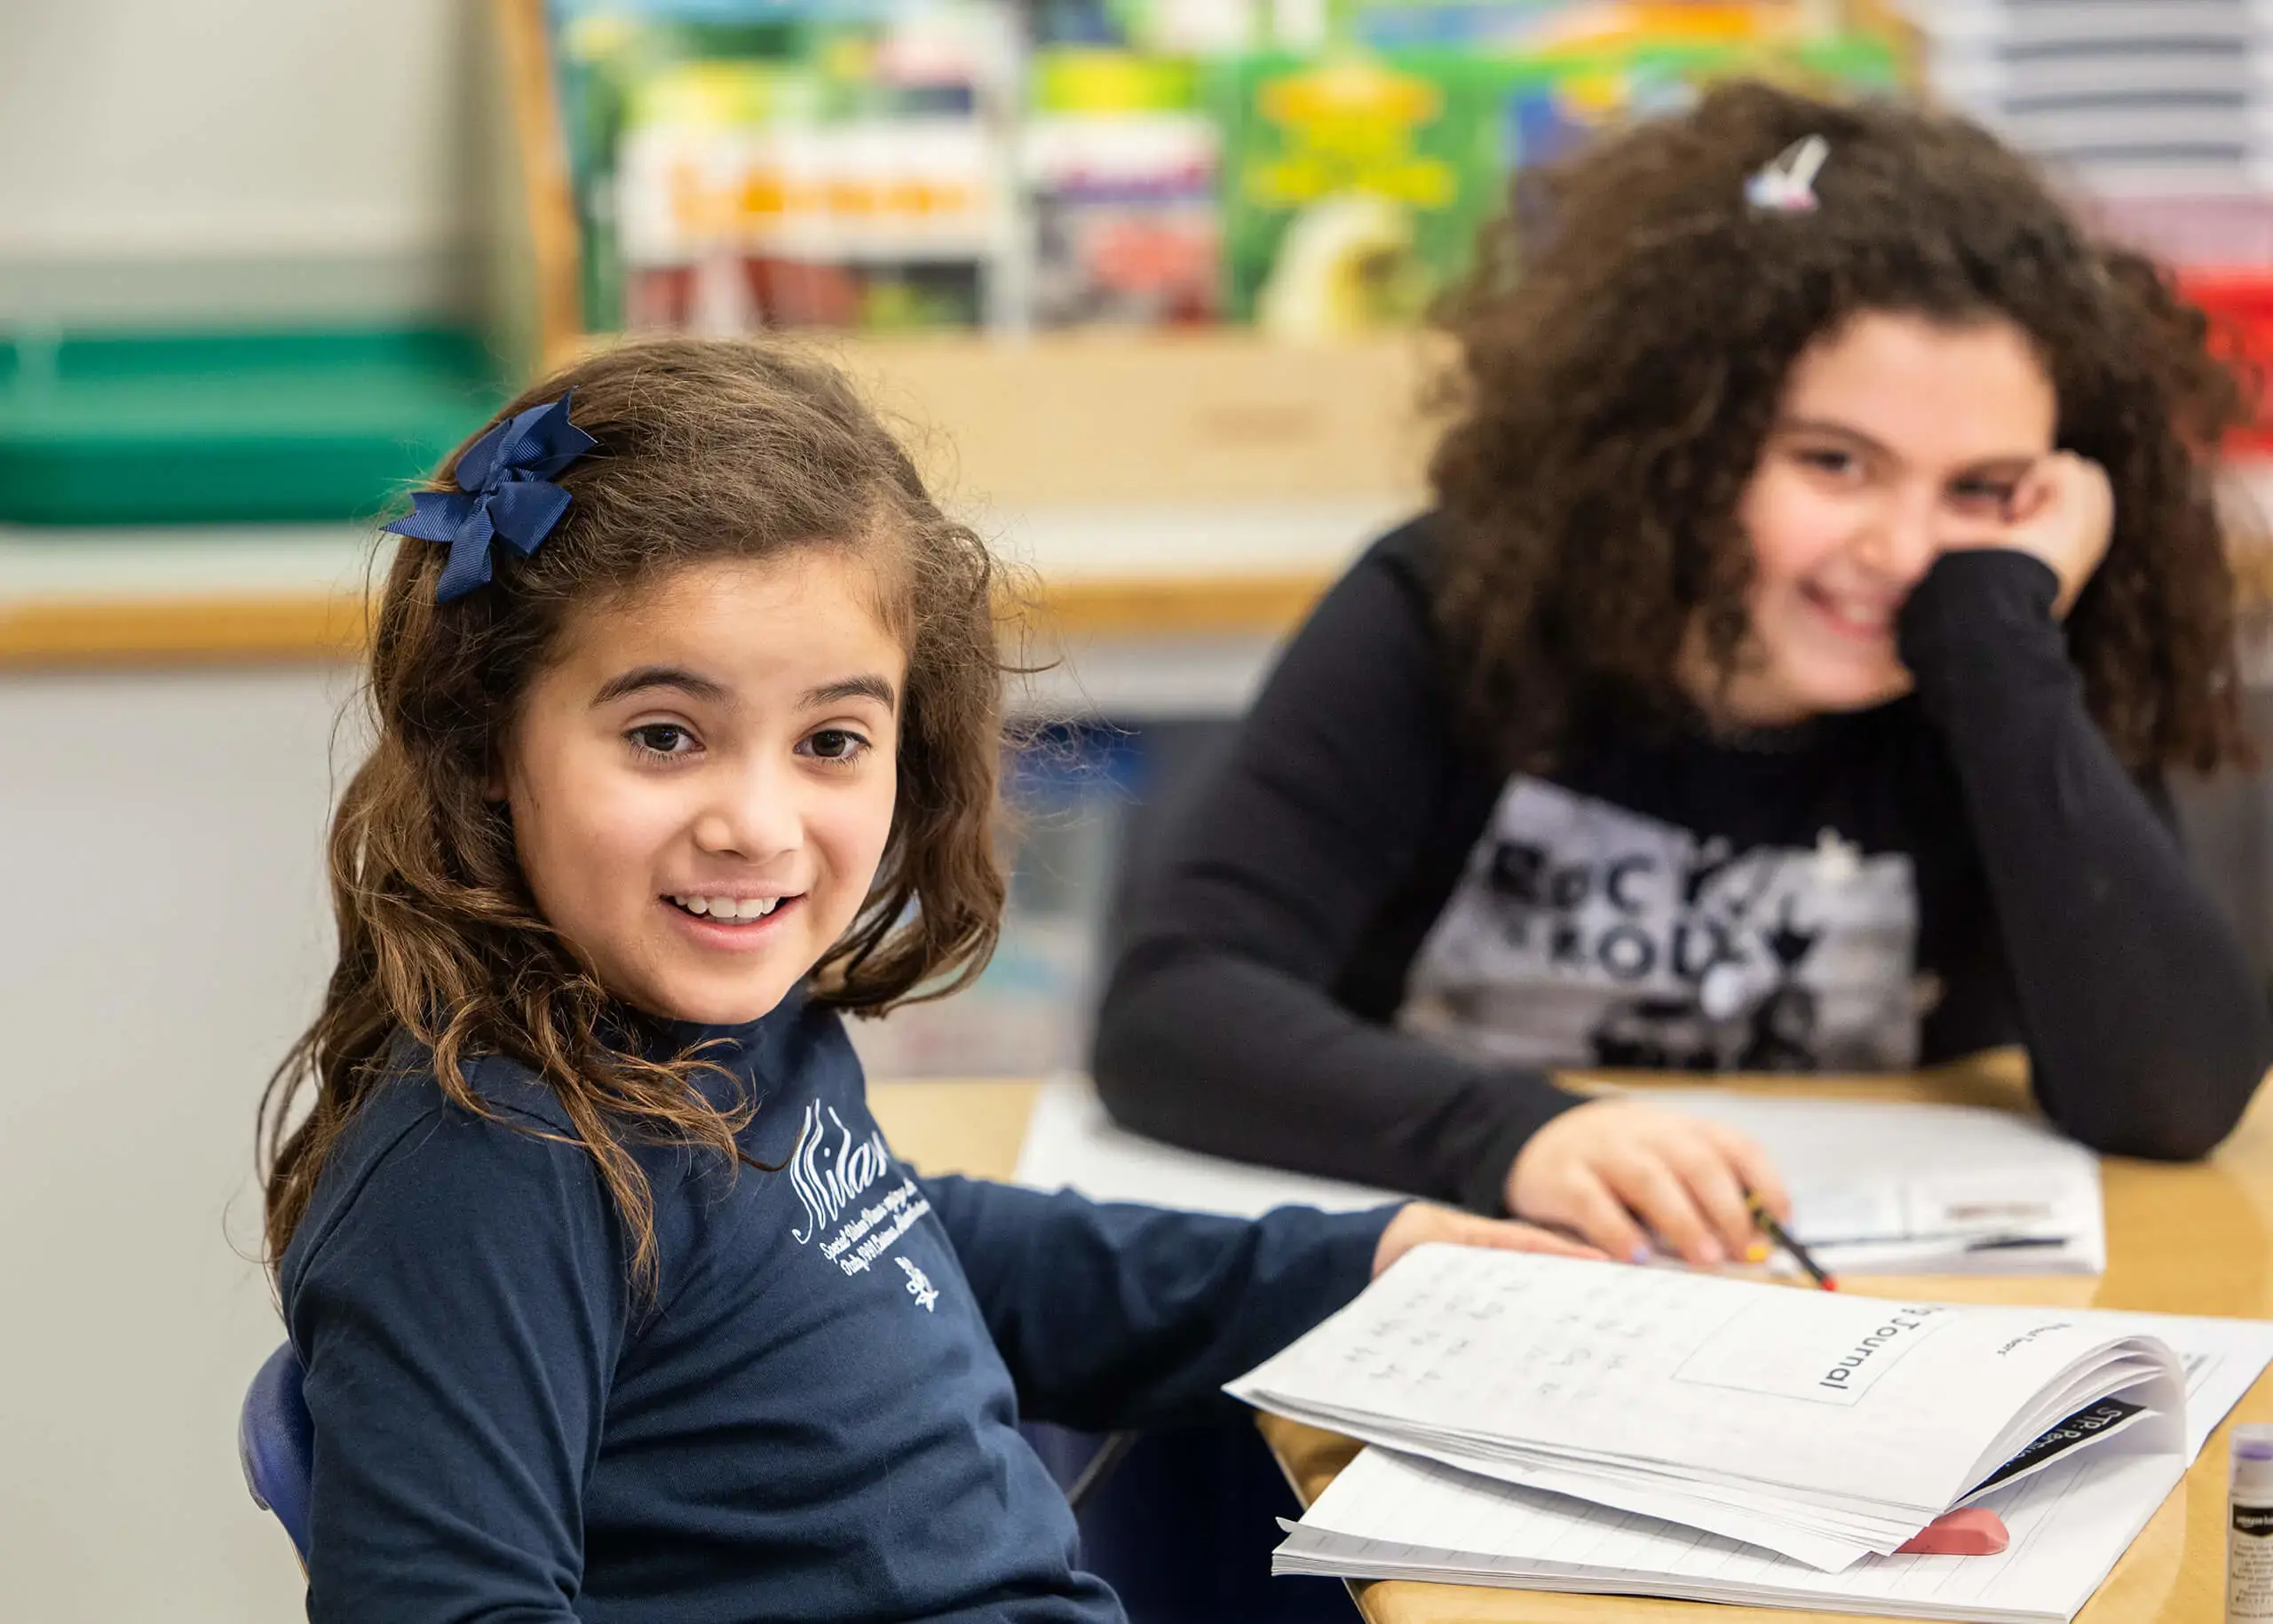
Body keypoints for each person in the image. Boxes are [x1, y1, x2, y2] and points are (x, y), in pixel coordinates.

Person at [257, 337, 1593, 1623]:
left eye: (831, 740)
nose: (759, 824)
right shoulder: (491, 1172)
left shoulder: (716, 1033)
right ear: (489, 740)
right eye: (666, 736)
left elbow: (912, 1249)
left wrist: (1358, 1264)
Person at [1093, 81, 2273, 1271]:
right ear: (1685, 437)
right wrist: (1516, 1134)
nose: (1905, 554)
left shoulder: (1990, 649)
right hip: (1494, 1278)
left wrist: (2002, 644)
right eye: (1835, 463)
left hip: (1865, 1309)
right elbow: (1176, 1012)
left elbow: (2169, 1101)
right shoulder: (1449, 606)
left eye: (1980, 489)